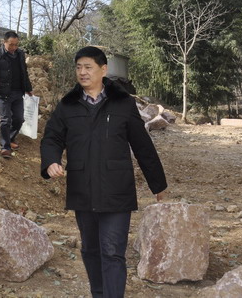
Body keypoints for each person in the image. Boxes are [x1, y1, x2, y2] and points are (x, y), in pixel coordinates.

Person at [40, 46, 167, 298]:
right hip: (82, 188)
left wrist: (158, 185)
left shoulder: (123, 103)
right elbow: (51, 137)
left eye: (88, 67)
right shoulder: (68, 105)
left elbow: (142, 145)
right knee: (90, 250)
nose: (82, 72)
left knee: (112, 251)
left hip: (116, 189)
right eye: (79, 67)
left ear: (103, 69)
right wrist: (51, 161)